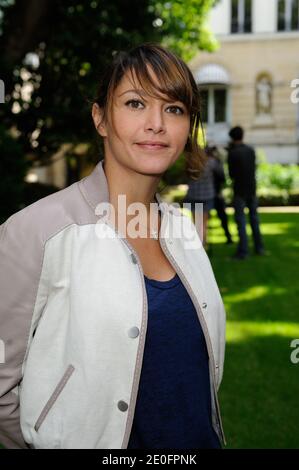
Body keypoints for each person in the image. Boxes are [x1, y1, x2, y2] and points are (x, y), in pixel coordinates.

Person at [0, 43, 226, 449]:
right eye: (136, 103)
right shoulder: (37, 231)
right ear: (101, 118)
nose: (156, 123)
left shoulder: (184, 229)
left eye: (174, 109)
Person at [227, 126, 265, 259]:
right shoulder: (250, 150)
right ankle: (259, 247)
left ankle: (243, 251)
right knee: (254, 219)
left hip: (239, 190)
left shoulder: (232, 153)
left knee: (241, 221)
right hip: (251, 188)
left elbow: (231, 174)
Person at [183, 145, 223, 250]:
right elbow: (221, 174)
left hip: (193, 194)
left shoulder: (191, 162)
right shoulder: (211, 162)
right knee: (203, 223)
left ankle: (197, 245)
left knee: (196, 221)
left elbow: (186, 175)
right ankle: (202, 245)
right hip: (207, 195)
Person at [209, 145, 233, 245]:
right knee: (222, 216)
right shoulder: (215, 163)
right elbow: (222, 177)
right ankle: (228, 237)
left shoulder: (207, 162)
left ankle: (228, 237)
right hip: (215, 192)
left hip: (215, 192)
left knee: (221, 216)